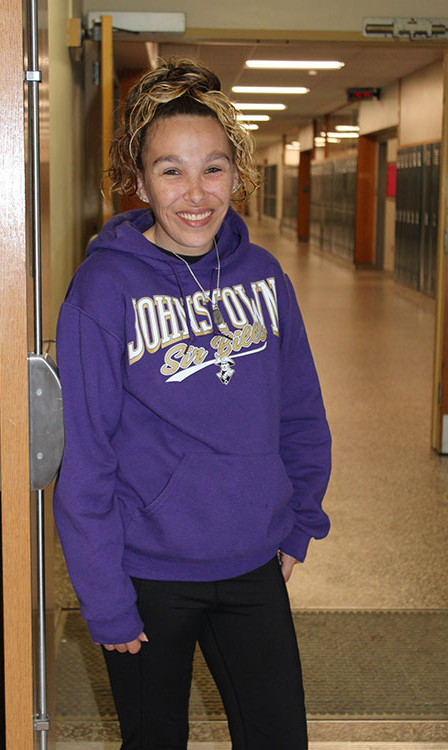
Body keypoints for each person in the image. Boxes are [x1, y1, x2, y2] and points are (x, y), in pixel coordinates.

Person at [53, 58, 331, 750]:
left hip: (252, 564)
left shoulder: (264, 278)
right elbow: (84, 453)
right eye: (170, 170)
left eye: (213, 167)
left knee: (278, 737)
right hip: (146, 573)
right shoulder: (103, 289)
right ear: (139, 180)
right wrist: (105, 598)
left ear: (239, 173)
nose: (195, 192)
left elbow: (300, 411)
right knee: (154, 740)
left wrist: (298, 521)